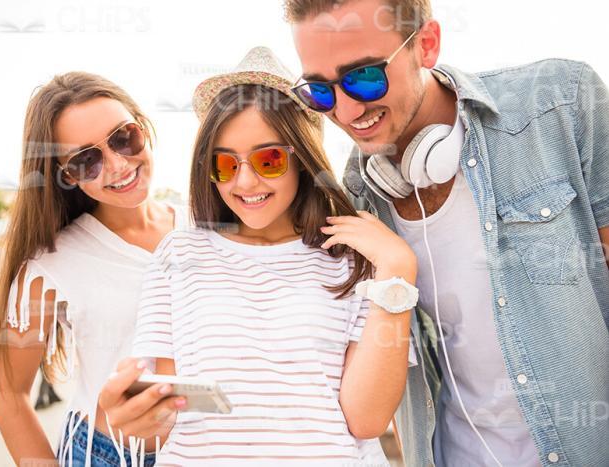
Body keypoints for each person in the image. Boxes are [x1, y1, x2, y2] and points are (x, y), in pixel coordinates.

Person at [285, 0, 609, 466]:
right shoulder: (359, 197)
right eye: (319, 90)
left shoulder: (560, 104)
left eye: (364, 77)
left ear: (426, 44)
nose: (346, 109)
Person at [100, 47, 419, 466]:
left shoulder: (354, 259)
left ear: (302, 159)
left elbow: (367, 419)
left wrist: (399, 270)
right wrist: (131, 422)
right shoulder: (179, 254)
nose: (244, 181)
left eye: (268, 160)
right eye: (224, 164)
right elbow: (169, 415)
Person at [0, 71, 188, 467]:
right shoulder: (50, 267)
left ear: (142, 126)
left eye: (123, 137)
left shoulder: (209, 225)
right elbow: (9, 395)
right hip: (108, 455)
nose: (116, 164)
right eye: (86, 160)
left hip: (219, 448)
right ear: (65, 177)